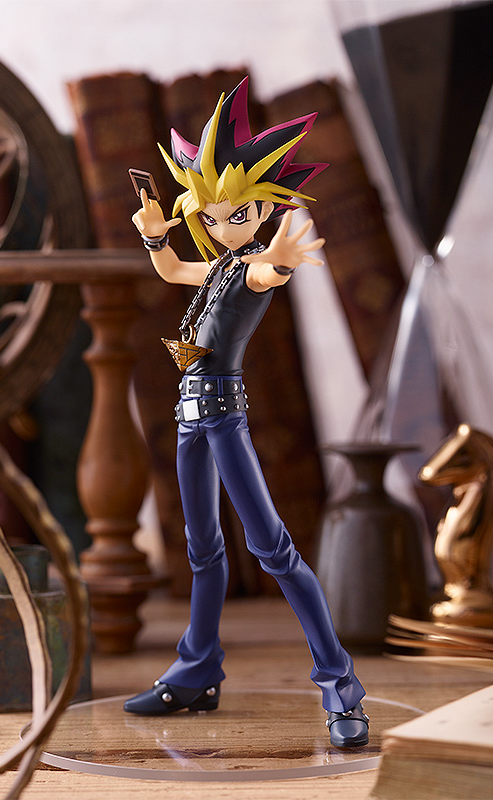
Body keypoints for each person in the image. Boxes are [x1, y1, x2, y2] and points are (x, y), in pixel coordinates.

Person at [123, 77, 369, 748]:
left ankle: (340, 686)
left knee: (272, 550)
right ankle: (196, 669)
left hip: (223, 417)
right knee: (202, 550)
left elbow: (266, 274)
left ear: (264, 208)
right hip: (188, 416)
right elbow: (174, 271)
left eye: (236, 215)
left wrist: (280, 260)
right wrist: (156, 237)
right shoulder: (221, 268)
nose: (220, 226)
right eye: (210, 215)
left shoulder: (254, 268)